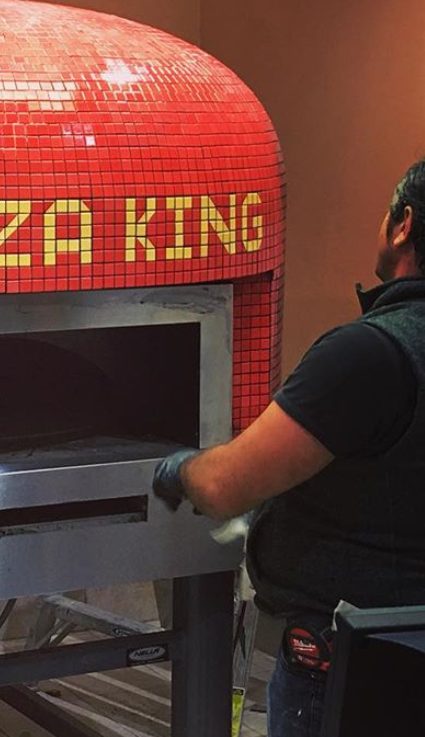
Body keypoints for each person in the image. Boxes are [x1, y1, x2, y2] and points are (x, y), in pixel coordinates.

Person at [153, 158, 425, 737]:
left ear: (403, 224)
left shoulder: (370, 354)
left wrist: (180, 470)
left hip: (356, 663)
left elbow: (227, 486)